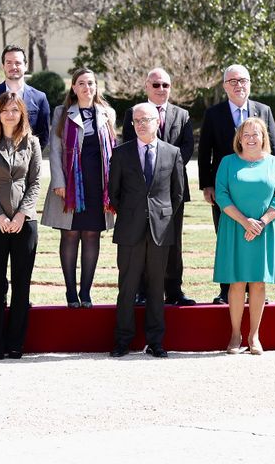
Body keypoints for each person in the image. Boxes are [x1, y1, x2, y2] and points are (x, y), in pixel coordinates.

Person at [108, 104, 185, 359]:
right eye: (137, 120)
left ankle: (156, 341)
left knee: (155, 288)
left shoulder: (172, 153)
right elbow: (114, 194)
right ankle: (122, 340)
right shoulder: (120, 154)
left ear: (157, 122)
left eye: (147, 119)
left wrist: (159, 216)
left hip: (160, 231)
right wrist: (133, 213)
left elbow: (178, 194)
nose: (141, 124)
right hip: (130, 230)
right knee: (127, 288)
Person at [199, 64, 275, 305]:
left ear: (249, 83)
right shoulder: (214, 114)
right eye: (233, 81)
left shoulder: (263, 110)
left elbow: (273, 148)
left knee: (256, 236)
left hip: (258, 191)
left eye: (243, 80)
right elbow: (205, 152)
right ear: (225, 86)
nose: (238, 85)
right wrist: (207, 185)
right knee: (226, 237)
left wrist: (274, 182)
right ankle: (227, 291)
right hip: (225, 189)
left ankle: (255, 292)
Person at [40, 67, 117, 308]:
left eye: (91, 83)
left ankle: (86, 293)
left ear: (96, 87)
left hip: (98, 186)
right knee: (71, 234)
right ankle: (71, 292)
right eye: (82, 83)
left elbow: (113, 150)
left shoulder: (107, 113)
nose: (87, 87)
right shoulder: (62, 112)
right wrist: (59, 181)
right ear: (73, 87)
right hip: (72, 186)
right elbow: (55, 149)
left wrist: (114, 187)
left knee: (93, 235)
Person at [120, 67, 196, 306]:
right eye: (156, 85)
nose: (161, 89)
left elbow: (187, 148)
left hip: (172, 190)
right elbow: (128, 148)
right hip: (141, 193)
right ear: (146, 87)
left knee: (173, 241)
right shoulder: (133, 113)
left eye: (165, 85)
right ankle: (143, 291)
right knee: (143, 242)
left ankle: (174, 290)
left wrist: (166, 169)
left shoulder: (182, 115)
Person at [0, 92, 42, 360]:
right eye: (5, 110)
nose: (10, 114)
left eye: (15, 110)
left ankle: (16, 343)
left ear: (22, 114)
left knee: (21, 284)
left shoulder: (33, 143)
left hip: (24, 224)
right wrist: (1, 217)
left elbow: (35, 182)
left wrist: (20, 216)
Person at [213, 117, 275, 355]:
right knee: (236, 282)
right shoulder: (227, 162)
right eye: (246, 134)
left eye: (256, 134)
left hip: (264, 230)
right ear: (239, 139)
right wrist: (245, 222)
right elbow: (221, 196)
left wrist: (261, 223)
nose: (251, 138)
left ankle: (254, 336)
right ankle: (236, 335)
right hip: (235, 227)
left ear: (264, 137)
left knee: (258, 282)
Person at [0, 44, 51, 150]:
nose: (13, 67)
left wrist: (31, 158)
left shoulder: (40, 98)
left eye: (18, 63)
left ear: (26, 66)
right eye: (9, 62)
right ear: (3, 66)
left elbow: (43, 136)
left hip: (27, 162)